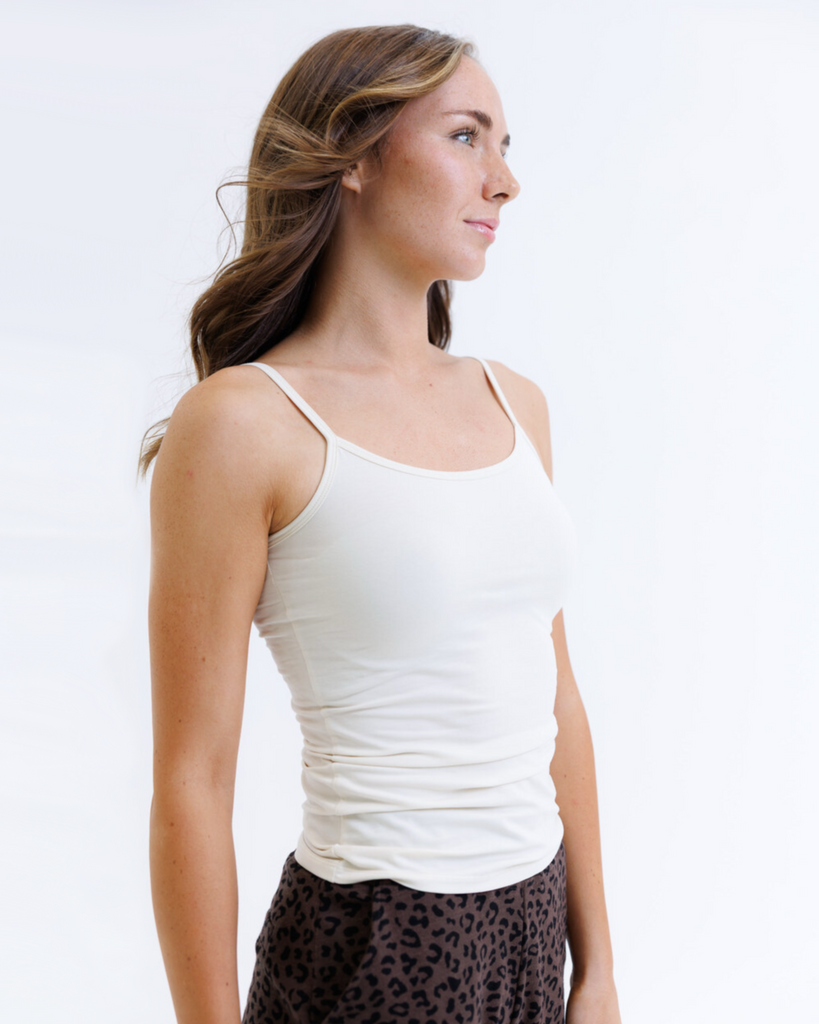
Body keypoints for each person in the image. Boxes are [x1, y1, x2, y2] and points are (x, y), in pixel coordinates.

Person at [141, 23, 622, 1024]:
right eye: (465, 137)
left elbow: (556, 698)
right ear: (354, 158)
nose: (503, 181)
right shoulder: (243, 423)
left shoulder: (515, 402)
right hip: (373, 947)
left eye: (506, 145)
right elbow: (193, 775)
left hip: (534, 932)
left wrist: (600, 969)